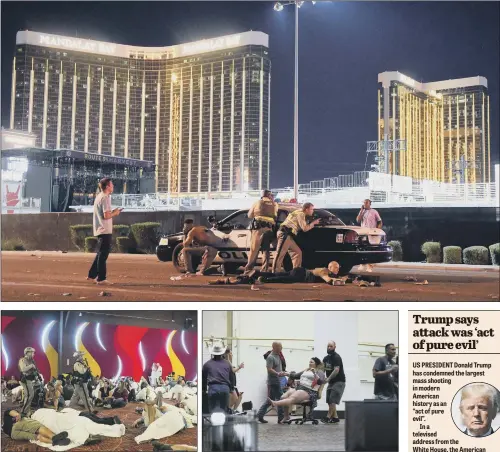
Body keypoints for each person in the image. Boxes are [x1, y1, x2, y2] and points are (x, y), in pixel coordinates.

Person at [87, 177, 122, 284]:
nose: (113, 186)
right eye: (111, 185)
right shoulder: (105, 198)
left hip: (100, 229)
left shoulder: (99, 196)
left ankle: (92, 275)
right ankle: (101, 279)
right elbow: (106, 215)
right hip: (104, 230)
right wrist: (115, 213)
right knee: (103, 255)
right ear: (107, 187)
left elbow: (104, 213)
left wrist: (112, 211)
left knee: (100, 253)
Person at [268, 357, 326, 423]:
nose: (310, 363)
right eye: (309, 362)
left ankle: (275, 403)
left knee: (291, 398)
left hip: (309, 391)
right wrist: (286, 373)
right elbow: (295, 375)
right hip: (299, 388)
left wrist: (314, 373)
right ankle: (286, 416)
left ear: (316, 364)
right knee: (283, 397)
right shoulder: (306, 370)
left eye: (312, 362)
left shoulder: (319, 372)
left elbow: (320, 382)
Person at [272, 203, 321, 273]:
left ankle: (296, 272)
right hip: (284, 234)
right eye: (311, 209)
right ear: (306, 209)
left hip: (288, 235)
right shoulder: (301, 214)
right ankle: (275, 273)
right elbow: (305, 228)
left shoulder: (298, 212)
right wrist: (313, 223)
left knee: (297, 253)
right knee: (280, 254)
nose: (312, 211)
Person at [244, 189, 278, 274]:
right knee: (266, 250)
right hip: (269, 229)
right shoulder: (275, 204)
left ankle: (248, 270)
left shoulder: (258, 202)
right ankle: (265, 270)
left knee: (254, 249)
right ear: (270, 195)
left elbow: (250, 215)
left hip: (258, 229)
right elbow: (275, 216)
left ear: (262, 195)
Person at [257, 342, 289, 424]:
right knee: (281, 398)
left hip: (278, 380)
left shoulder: (278, 355)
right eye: (279, 348)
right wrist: (278, 373)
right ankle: (281, 418)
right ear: (274, 347)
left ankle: (259, 415)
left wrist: (283, 372)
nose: (280, 349)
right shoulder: (270, 357)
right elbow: (269, 369)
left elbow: (278, 368)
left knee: (270, 400)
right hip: (274, 381)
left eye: (281, 347)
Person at [3, 409, 70, 446]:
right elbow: (12, 412)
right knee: (37, 427)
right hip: (17, 423)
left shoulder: (5, 428)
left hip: (13, 435)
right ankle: (53, 437)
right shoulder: (6, 414)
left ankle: (52, 442)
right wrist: (17, 415)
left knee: (36, 437)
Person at [202, 342, 233, 413]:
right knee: (224, 410)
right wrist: (231, 389)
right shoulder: (227, 364)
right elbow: (231, 377)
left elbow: (203, 379)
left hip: (213, 389)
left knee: (212, 411)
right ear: (222, 353)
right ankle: (224, 421)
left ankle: (212, 422)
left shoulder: (207, 364)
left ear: (213, 353)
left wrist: (203, 389)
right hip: (225, 389)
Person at [255, 261, 341, 285]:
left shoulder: (327, 271)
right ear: (330, 267)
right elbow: (328, 280)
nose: (338, 269)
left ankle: (258, 273)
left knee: (279, 275)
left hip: (300, 271)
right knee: (284, 279)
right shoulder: (324, 271)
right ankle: (264, 279)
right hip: (301, 275)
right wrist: (339, 280)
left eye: (338, 268)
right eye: (336, 267)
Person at [321, 341, 346, 424]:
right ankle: (335, 417)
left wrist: (328, 378)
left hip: (339, 381)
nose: (329, 348)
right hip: (331, 382)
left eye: (331, 346)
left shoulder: (336, 357)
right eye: (328, 346)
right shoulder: (325, 358)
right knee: (329, 400)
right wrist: (321, 378)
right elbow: (322, 370)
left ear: (335, 347)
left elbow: (336, 370)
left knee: (332, 400)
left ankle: (328, 417)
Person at [18, 346, 40, 417]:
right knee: (30, 395)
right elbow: (23, 369)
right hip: (25, 379)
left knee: (28, 395)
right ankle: (24, 412)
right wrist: (31, 366)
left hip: (30, 379)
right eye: (32, 352)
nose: (33, 354)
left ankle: (26, 409)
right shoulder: (22, 360)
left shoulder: (32, 361)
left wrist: (37, 375)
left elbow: (35, 370)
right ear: (27, 353)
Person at [225, 347, 245, 412]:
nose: (232, 355)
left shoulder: (229, 362)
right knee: (234, 399)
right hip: (229, 385)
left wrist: (238, 367)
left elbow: (233, 370)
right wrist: (239, 367)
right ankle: (228, 410)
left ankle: (233, 410)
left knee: (240, 396)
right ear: (227, 354)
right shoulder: (226, 362)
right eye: (230, 353)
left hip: (233, 385)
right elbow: (232, 370)